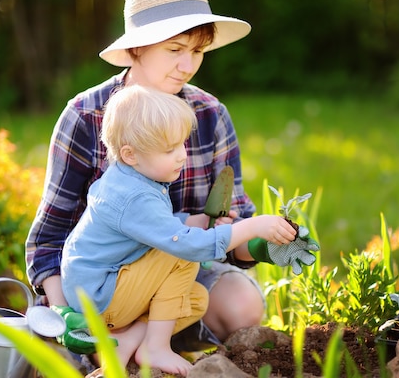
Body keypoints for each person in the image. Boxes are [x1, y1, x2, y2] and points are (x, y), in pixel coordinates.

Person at [25, 0, 318, 359]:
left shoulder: (210, 115)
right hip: (97, 281)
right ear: (136, 49)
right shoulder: (86, 115)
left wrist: (267, 242)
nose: (187, 65)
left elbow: (227, 229)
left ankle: (147, 344)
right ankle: (118, 343)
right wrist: (66, 314)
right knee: (63, 361)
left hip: (176, 269)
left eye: (197, 52)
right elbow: (48, 238)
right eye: (174, 49)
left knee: (243, 306)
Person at [60, 85, 298, 375]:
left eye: (182, 144)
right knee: (182, 254)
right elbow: (187, 245)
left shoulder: (129, 178)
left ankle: (127, 342)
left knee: (195, 299)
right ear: (130, 153)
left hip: (102, 290)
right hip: (101, 297)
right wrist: (252, 226)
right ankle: (156, 348)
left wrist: (193, 221)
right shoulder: (135, 195)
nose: (182, 155)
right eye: (169, 149)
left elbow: (152, 224)